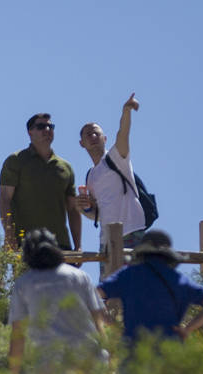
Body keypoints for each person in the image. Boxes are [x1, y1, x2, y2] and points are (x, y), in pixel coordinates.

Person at [98, 230, 203, 343]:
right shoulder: (179, 280)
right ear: (168, 255)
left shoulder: (128, 275)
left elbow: (94, 293)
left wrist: (111, 323)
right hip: (169, 354)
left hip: (134, 353)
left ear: (142, 252)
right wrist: (187, 329)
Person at [8, 229, 106, 374]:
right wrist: (108, 361)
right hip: (90, 358)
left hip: (51, 364)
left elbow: (18, 334)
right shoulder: (80, 276)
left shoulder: (24, 283)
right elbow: (98, 322)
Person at [78, 93, 146, 279]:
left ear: (105, 139)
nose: (92, 136)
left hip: (131, 232)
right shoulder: (90, 175)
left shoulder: (116, 157)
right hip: (106, 240)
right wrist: (84, 208)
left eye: (96, 133)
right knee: (109, 295)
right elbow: (96, 214)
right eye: (87, 133)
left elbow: (123, 134)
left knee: (133, 288)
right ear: (81, 144)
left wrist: (126, 112)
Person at [0, 113, 82, 251]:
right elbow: (4, 200)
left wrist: (78, 246)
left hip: (61, 245)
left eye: (50, 126)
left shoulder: (65, 167)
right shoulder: (16, 160)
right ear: (30, 132)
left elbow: (73, 209)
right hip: (27, 245)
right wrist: (9, 236)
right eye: (41, 126)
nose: (47, 130)